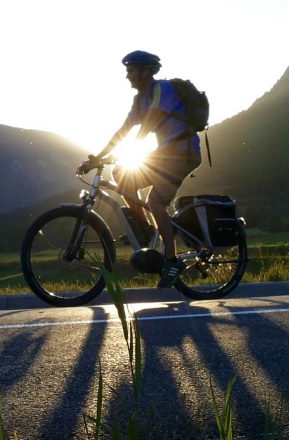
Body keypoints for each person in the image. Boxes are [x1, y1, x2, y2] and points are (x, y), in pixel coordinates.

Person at [80, 50, 202, 288]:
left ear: (146, 71)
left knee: (155, 201)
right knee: (122, 175)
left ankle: (172, 260)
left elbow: (149, 124)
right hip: (167, 155)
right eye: (127, 71)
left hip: (183, 153)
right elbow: (123, 131)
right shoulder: (139, 100)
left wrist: (128, 151)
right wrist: (99, 157)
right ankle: (145, 229)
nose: (128, 76)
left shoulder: (161, 90)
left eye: (131, 71)